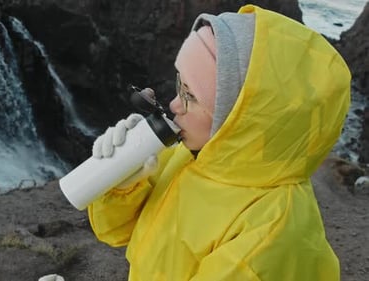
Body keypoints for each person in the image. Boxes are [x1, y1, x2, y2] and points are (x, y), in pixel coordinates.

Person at [87, 4, 350, 281]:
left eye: (191, 96)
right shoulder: (198, 154)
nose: (174, 104)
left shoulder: (267, 239)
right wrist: (120, 181)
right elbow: (116, 232)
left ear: (241, 120)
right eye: (180, 84)